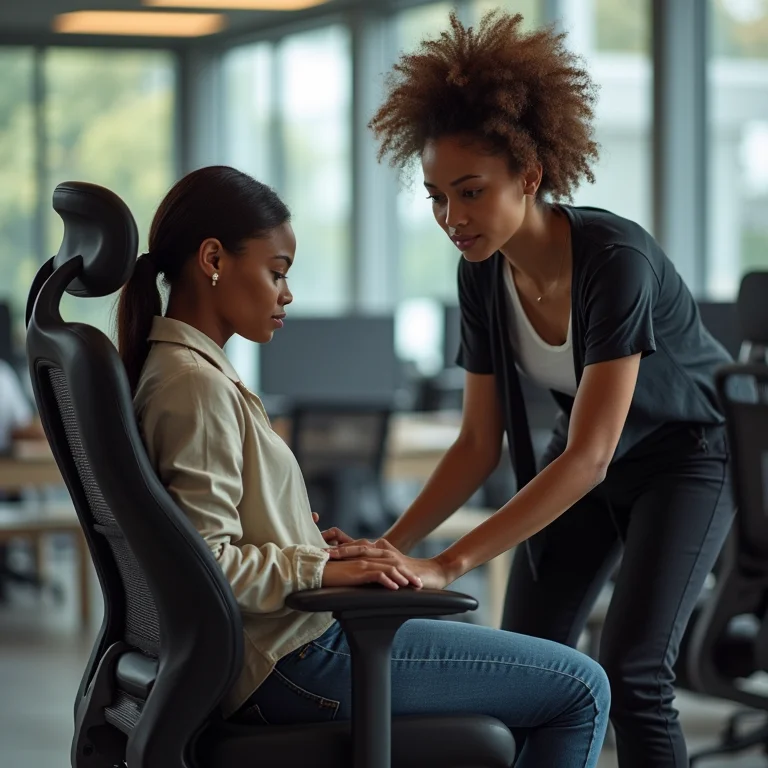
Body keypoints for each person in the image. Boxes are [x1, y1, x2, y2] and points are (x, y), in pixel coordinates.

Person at [329, 10, 733, 768]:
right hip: (583, 457)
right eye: (437, 197)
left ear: (531, 174)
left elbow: (589, 456)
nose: (453, 218)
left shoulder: (617, 262)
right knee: (528, 667)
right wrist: (395, 546)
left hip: (687, 459)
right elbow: (479, 443)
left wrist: (448, 564)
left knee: (635, 672)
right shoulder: (480, 272)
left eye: (472, 192)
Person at [115, 164, 609, 768]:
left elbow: (208, 541)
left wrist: (310, 549)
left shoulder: (186, 373)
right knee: (582, 688)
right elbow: (209, 563)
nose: (287, 294)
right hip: (293, 659)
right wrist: (317, 570)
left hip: (278, 649)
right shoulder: (193, 387)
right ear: (213, 259)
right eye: (276, 273)